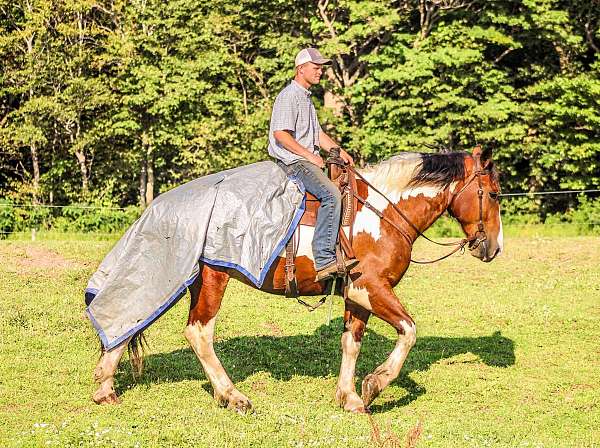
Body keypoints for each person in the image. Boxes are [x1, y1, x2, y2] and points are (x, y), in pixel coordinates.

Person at [268, 47, 358, 281]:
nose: (320, 72)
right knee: (331, 194)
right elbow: (281, 134)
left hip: (304, 160)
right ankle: (324, 259)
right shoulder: (289, 96)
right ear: (301, 69)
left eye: (321, 68)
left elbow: (316, 134)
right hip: (294, 163)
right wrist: (310, 156)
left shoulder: (305, 98)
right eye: (316, 68)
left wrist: (341, 152)